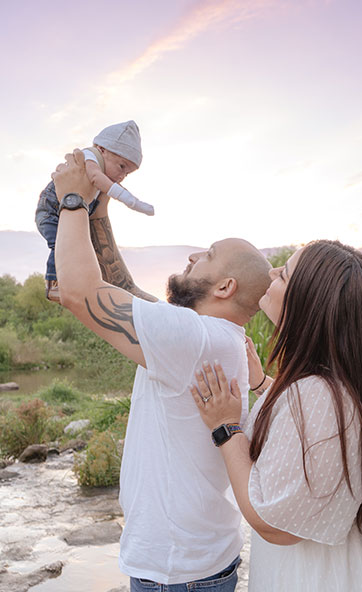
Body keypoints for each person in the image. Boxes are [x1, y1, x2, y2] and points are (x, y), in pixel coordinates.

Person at [51, 150, 272, 591]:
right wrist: (100, 211)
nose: (193, 255)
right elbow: (124, 289)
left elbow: (80, 291)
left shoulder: (194, 338)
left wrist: (72, 199)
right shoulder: (206, 334)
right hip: (194, 564)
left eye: (207, 255)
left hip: (178, 576)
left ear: (226, 286)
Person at [191, 240, 362, 591]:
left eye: (285, 273)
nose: (272, 272)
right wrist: (264, 385)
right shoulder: (342, 386)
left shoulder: (316, 394)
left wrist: (226, 428)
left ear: (309, 304)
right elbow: (303, 442)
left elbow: (275, 525)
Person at [35, 120, 154, 302]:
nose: (121, 177)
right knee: (60, 245)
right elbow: (97, 178)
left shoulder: (101, 172)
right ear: (102, 149)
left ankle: (81, 283)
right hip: (51, 212)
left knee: (80, 249)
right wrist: (132, 202)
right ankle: (53, 284)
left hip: (71, 214)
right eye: (121, 166)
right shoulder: (90, 157)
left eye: (127, 173)